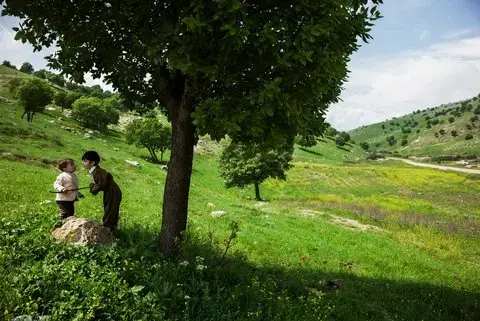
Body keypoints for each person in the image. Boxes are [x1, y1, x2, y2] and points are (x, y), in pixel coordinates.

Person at [81, 151, 122, 231]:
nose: (83, 163)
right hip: (110, 191)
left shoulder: (97, 171)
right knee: (109, 209)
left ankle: (109, 229)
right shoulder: (95, 171)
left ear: (92, 163)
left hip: (112, 192)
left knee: (110, 210)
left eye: (85, 161)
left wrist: (93, 187)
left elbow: (101, 184)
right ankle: (109, 227)